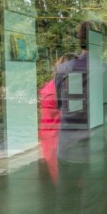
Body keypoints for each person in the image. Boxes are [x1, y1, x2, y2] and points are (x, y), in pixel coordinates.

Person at [53, 21, 107, 214]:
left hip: (67, 150)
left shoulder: (63, 70)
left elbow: (59, 105)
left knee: (63, 210)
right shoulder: (105, 71)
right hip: (94, 154)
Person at [38, 52, 77, 186]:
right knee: (69, 183)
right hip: (60, 139)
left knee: (61, 182)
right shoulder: (64, 88)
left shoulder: (50, 86)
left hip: (49, 137)